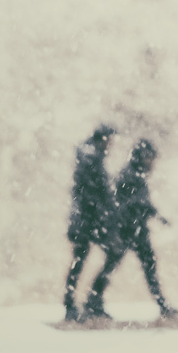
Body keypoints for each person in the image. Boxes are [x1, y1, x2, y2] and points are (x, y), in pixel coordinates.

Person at [81, 138, 178, 321]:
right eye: (149, 158)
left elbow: (141, 203)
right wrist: (139, 214)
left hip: (133, 229)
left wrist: (157, 216)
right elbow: (126, 203)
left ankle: (93, 301)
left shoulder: (136, 175)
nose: (152, 163)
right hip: (129, 229)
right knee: (130, 265)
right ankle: (93, 302)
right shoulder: (130, 176)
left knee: (129, 265)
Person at [63, 125, 116, 322]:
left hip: (89, 219)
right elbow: (93, 192)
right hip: (88, 219)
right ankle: (81, 302)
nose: (111, 145)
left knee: (81, 260)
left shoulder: (91, 157)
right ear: (102, 140)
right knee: (82, 259)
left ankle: (82, 302)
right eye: (109, 141)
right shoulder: (91, 159)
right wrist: (106, 210)